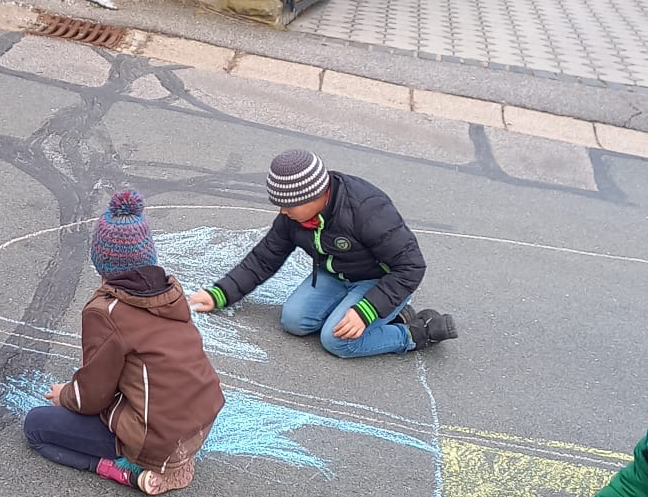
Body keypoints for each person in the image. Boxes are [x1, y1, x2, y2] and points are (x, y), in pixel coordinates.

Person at [24, 190, 225, 495]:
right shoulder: (169, 293)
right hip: (198, 424)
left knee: (36, 426)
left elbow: (91, 397)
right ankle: (171, 458)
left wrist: (66, 394)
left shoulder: (106, 312)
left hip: (155, 437)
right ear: (148, 256)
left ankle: (127, 470)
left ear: (100, 260)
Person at [185, 150, 457, 359]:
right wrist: (220, 294)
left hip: (379, 281)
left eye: (287, 204)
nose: (282, 211)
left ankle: (415, 332)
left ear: (313, 195)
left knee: (338, 341)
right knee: (293, 320)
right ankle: (390, 314)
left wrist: (366, 310)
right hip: (336, 274)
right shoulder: (295, 217)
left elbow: (411, 266)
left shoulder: (367, 210)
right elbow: (265, 257)